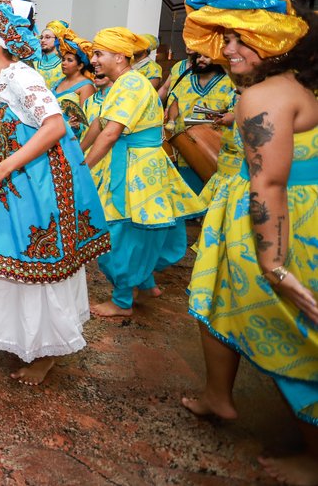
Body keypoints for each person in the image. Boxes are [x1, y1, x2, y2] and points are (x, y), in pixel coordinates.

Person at [178, 0, 318, 484]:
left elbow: (271, 185)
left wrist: (275, 265)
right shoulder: (299, 84)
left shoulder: (266, 96)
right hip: (271, 216)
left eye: (240, 37)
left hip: (277, 228)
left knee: (294, 331)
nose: (228, 50)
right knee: (212, 298)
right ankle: (219, 396)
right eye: (226, 38)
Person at [0, 0, 110, 385]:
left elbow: (53, 126)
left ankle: (45, 355)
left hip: (26, 194)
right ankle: (17, 337)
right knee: (5, 267)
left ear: (0, 37)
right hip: (3, 198)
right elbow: (5, 122)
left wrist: (2, 166)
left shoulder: (22, 75)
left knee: (31, 271)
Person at [81, 27, 205, 317]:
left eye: (99, 54)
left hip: (137, 168)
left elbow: (111, 133)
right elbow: (99, 123)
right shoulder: (121, 83)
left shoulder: (132, 85)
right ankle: (146, 284)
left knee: (118, 233)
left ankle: (122, 300)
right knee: (135, 229)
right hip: (129, 163)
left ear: (121, 57)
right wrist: (79, 149)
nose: (94, 60)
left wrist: (83, 168)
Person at [164, 51, 236, 194]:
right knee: (187, 193)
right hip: (187, 145)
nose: (201, 60)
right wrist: (171, 120)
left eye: (207, 56)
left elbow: (236, 110)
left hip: (214, 146)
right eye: (199, 56)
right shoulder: (187, 79)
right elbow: (176, 102)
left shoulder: (229, 82)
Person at [50, 24, 95, 139]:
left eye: (69, 60)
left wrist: (74, 126)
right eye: (63, 59)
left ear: (80, 66)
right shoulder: (58, 82)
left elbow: (85, 120)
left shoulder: (86, 86)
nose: (64, 63)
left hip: (71, 137)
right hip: (52, 133)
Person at [34, 20, 66, 90]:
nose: (42, 40)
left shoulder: (64, 64)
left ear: (57, 40)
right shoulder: (34, 62)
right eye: (41, 37)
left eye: (47, 37)